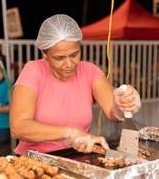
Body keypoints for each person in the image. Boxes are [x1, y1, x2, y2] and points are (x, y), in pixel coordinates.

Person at [9, 14, 141, 155]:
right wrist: (70, 132)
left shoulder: (89, 71)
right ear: (44, 54)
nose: (69, 64)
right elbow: (18, 126)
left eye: (74, 55)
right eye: (59, 58)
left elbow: (112, 110)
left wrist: (123, 103)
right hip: (33, 161)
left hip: (76, 157)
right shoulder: (33, 71)